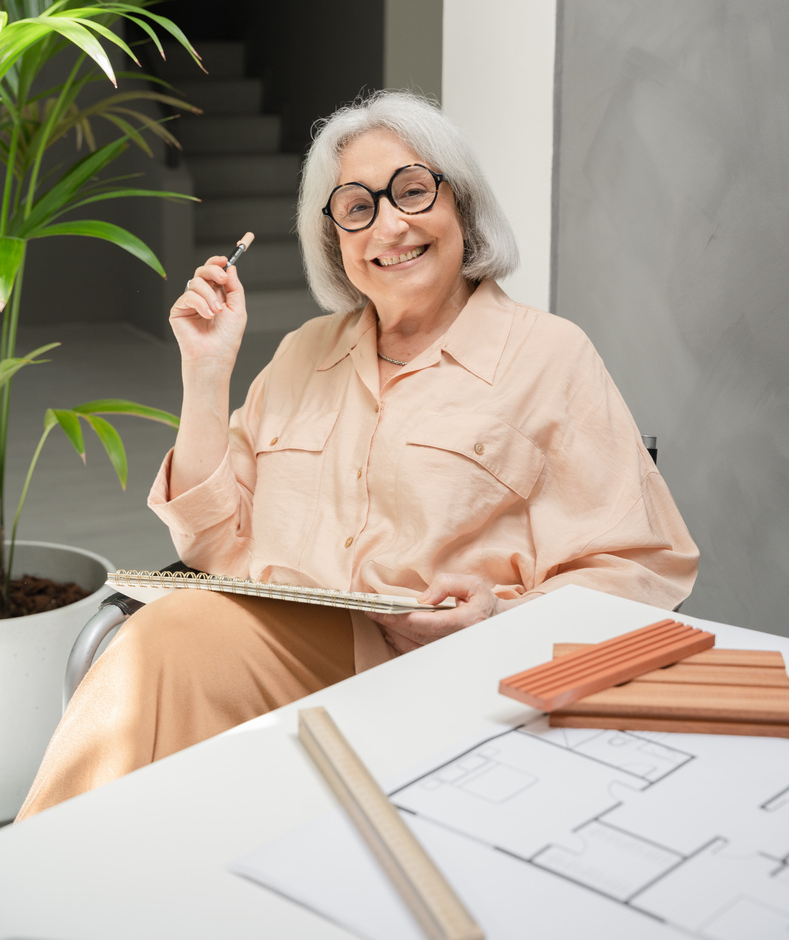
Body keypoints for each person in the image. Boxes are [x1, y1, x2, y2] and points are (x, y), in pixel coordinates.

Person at [17, 91, 698, 819]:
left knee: (160, 651)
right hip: (277, 661)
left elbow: (644, 569)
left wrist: (500, 617)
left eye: (412, 191)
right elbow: (211, 543)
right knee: (161, 646)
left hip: (446, 681)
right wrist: (206, 372)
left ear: (462, 208)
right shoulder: (302, 354)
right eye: (357, 207)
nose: (390, 225)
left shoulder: (550, 356)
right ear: (337, 240)